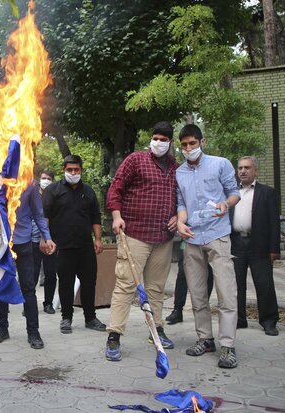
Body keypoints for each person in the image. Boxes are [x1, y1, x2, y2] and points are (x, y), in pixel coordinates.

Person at [103, 121, 178, 361]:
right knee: (125, 286)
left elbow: (182, 199)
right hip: (134, 234)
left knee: (156, 288)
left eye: (163, 139)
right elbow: (115, 188)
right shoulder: (135, 160)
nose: (158, 142)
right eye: (155, 137)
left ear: (170, 142)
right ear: (150, 138)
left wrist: (178, 215)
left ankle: (156, 330)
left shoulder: (177, 168)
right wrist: (116, 216)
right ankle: (114, 336)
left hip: (164, 238)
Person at [175, 124, 240, 369]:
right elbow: (180, 203)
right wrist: (181, 223)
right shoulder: (179, 172)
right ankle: (205, 339)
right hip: (191, 238)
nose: (188, 148)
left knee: (226, 293)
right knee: (197, 293)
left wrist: (226, 204)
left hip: (218, 235)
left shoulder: (220, 163)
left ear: (202, 142)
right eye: (184, 145)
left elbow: (234, 192)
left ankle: (228, 346)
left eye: (192, 143)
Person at [42, 155, 106, 334]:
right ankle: (66, 318)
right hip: (62, 246)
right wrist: (44, 238)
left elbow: (95, 216)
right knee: (65, 283)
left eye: (76, 169)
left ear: (81, 170)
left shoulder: (88, 191)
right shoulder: (53, 191)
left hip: (85, 245)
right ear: (64, 170)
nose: (73, 172)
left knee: (89, 282)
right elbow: (45, 216)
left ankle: (90, 318)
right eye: (69, 169)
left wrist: (98, 239)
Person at [0, 182, 56, 349]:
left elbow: (39, 215)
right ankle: (2, 328)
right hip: (2, 243)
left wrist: (47, 237)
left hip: (23, 243)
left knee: (28, 288)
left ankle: (33, 332)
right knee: (1, 286)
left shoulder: (30, 185)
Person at [230, 156, 280, 336]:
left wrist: (274, 249)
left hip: (259, 244)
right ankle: (239, 319)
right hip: (236, 243)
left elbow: (275, 222)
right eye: (240, 168)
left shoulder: (267, 193)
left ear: (255, 171)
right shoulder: (231, 192)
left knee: (264, 283)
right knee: (236, 284)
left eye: (247, 168)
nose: (243, 171)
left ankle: (269, 321)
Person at [165, 242, 214, 325]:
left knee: (207, 274)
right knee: (182, 274)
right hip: (187, 241)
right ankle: (177, 310)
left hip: (208, 240)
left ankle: (203, 309)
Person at [32, 170, 58, 314]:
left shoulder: (56, 197)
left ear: (52, 181)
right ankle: (30, 304)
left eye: (49, 178)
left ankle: (48, 303)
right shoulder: (32, 196)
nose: (46, 180)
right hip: (34, 240)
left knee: (50, 273)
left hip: (50, 241)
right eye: (43, 178)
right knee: (32, 274)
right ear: (39, 180)